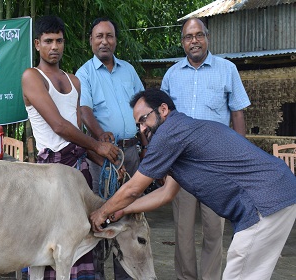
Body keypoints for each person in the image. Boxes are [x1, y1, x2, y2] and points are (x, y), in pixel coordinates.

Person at [90, 88, 296, 280]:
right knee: (251, 271)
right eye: (138, 125)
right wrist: (122, 210)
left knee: (240, 272)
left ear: (163, 109)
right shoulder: (181, 130)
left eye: (144, 119)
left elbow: (134, 188)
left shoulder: (169, 133)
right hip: (277, 191)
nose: (143, 129)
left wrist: (103, 212)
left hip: (263, 200)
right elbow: (166, 193)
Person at [21, 15, 120, 279]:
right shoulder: (32, 77)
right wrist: (99, 146)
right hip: (50, 177)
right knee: (52, 246)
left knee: (79, 239)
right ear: (37, 44)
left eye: (59, 41)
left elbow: (76, 136)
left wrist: (108, 162)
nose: (54, 47)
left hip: (78, 174)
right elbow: (60, 127)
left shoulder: (74, 81)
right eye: (48, 41)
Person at [160, 17, 251, 280]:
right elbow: (163, 123)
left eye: (199, 35)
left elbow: (238, 116)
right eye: (189, 37)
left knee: (214, 231)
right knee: (183, 232)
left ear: (207, 38)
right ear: (182, 42)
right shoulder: (172, 76)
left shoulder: (227, 70)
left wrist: (238, 163)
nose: (194, 41)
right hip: (182, 166)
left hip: (218, 167)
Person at [75, 17, 147, 280]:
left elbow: (144, 107)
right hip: (103, 157)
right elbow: (84, 111)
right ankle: (97, 275)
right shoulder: (84, 74)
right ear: (91, 41)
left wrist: (146, 145)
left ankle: (126, 274)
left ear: (116, 39)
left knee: (128, 218)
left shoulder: (128, 70)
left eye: (109, 36)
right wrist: (99, 138)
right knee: (100, 217)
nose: (104, 41)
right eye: (99, 36)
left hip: (131, 154)